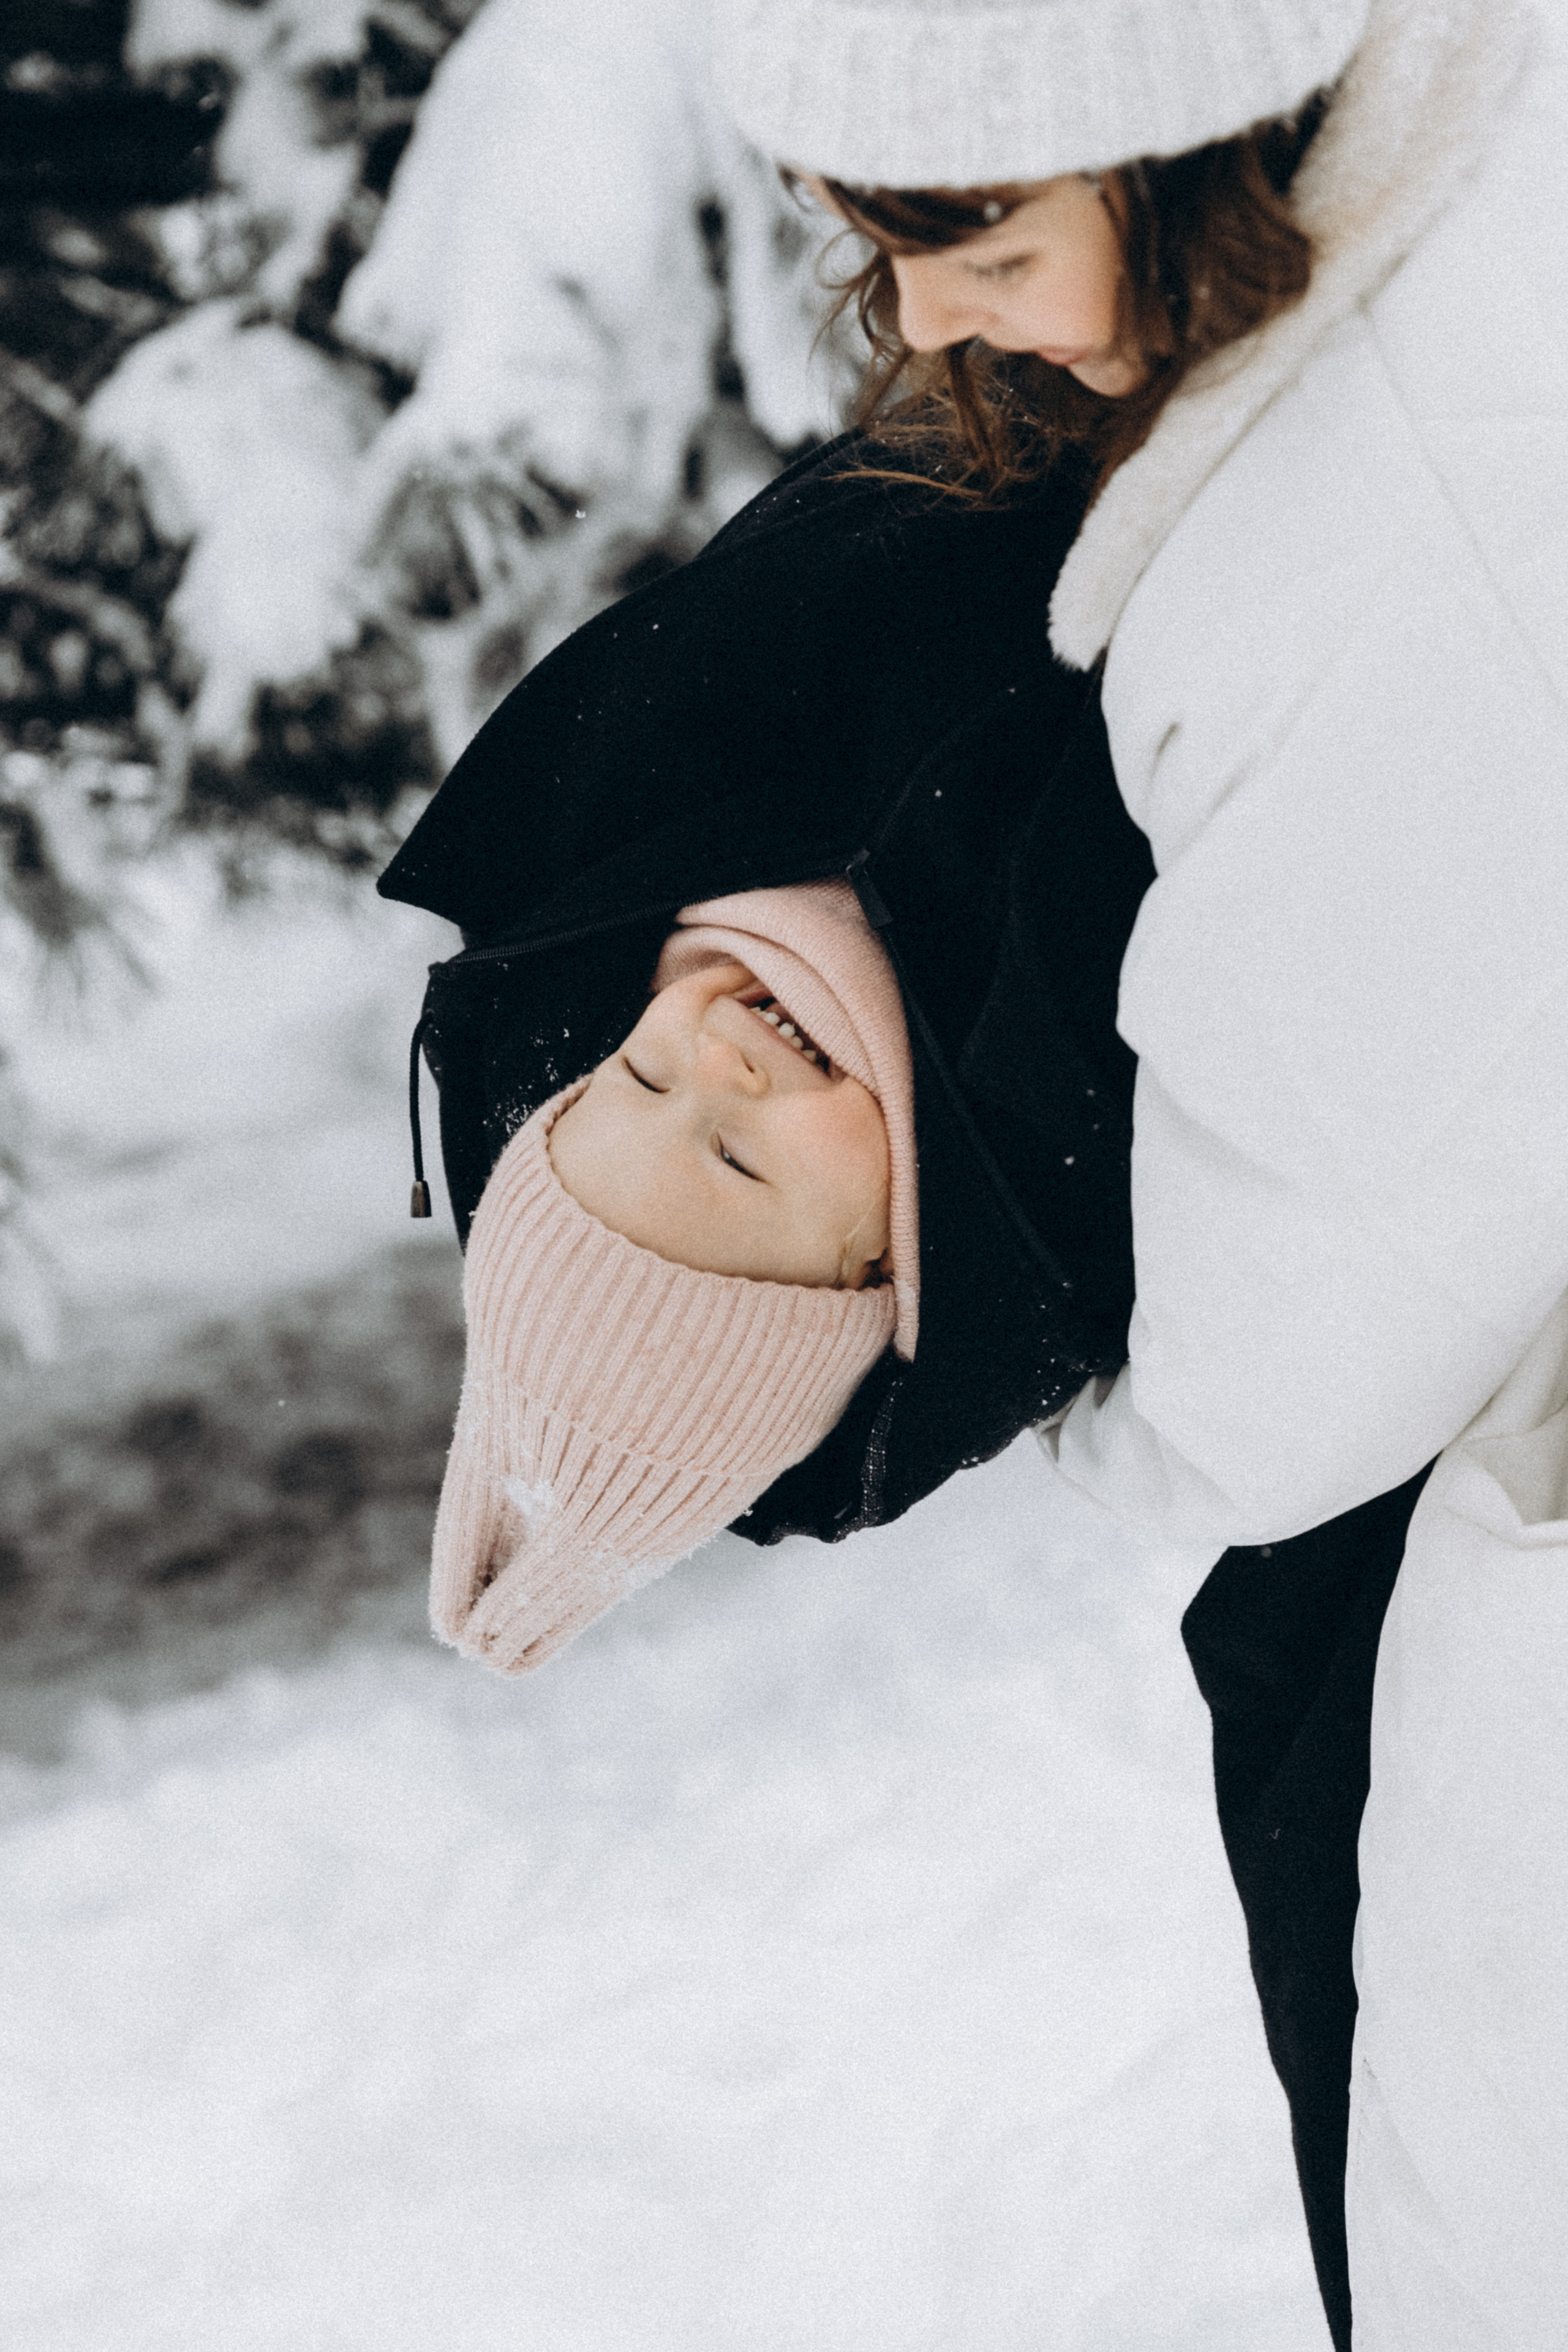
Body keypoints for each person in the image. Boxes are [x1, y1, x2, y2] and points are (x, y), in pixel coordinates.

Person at [711, 0, 1568, 2341]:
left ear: (1169, 135)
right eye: (858, 235)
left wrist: (1050, 1405)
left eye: (961, 223)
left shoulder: (1360, 543)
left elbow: (1293, 1362)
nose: (916, 311)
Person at [380, 436, 1153, 1667]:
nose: (718, 1059)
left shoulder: (659, 777)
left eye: (637, 1077)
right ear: (870, 1276)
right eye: (736, 1162)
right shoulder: (1092, 1083)